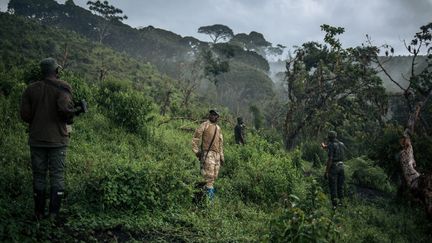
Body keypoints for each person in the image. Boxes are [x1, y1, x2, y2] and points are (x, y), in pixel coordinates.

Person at [20, 58, 84, 220]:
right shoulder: (63, 87)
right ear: (56, 71)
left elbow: (25, 116)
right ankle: (54, 215)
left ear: (42, 71)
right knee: (57, 175)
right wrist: (77, 110)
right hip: (58, 140)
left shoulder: (30, 89)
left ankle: (38, 213)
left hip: (36, 139)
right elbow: (65, 110)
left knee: (39, 176)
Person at [192, 109, 224, 201]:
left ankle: (204, 197)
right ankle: (208, 201)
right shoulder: (204, 125)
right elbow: (195, 138)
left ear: (217, 117)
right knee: (208, 177)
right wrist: (197, 151)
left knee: (213, 177)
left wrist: (221, 157)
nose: (213, 116)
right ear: (209, 115)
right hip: (208, 154)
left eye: (215, 115)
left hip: (216, 155)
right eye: (211, 114)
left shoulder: (218, 128)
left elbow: (220, 144)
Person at [322, 131, 346, 208]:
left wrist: (326, 171)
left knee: (333, 188)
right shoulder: (341, 144)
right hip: (342, 166)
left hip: (334, 168)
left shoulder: (331, 145)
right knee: (340, 187)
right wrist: (324, 146)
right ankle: (341, 205)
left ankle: (335, 207)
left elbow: (330, 159)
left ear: (329, 138)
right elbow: (330, 147)